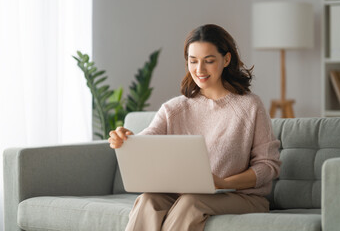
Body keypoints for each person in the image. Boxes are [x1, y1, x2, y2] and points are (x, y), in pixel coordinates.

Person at [108, 24, 281, 231]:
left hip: (240, 197)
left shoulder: (250, 106)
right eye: (193, 61)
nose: (199, 70)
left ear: (226, 59)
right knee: (149, 200)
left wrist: (223, 183)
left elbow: (268, 166)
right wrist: (126, 140)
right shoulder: (173, 109)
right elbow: (147, 141)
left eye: (209, 61)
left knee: (191, 202)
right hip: (184, 195)